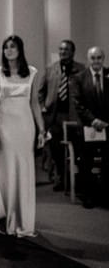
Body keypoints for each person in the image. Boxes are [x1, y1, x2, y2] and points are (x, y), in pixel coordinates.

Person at [0, 35, 45, 237]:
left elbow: (35, 103)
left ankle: (24, 221)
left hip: (25, 128)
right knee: (7, 172)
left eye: (12, 47)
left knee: (25, 171)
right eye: (6, 47)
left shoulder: (32, 73)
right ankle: (8, 219)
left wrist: (41, 129)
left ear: (20, 49)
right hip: (5, 129)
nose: (9, 50)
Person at [38, 40, 85, 191]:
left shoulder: (81, 69)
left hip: (74, 116)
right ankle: (61, 178)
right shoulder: (51, 69)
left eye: (66, 49)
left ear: (73, 52)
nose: (63, 52)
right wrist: (43, 107)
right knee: (56, 148)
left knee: (76, 148)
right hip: (55, 116)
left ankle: (75, 178)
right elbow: (40, 92)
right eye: (61, 49)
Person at [72, 46, 109, 208]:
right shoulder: (79, 78)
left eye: (99, 58)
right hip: (87, 128)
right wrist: (94, 121)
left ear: (103, 59)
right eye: (93, 58)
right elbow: (77, 103)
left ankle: (106, 195)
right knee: (86, 163)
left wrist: (106, 122)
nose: (96, 61)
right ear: (88, 60)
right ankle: (89, 195)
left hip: (108, 128)